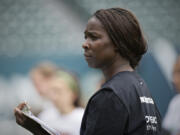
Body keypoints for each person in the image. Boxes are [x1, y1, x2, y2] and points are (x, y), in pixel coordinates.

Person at [14, 7, 162, 135]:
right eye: (86, 37)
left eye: (94, 37)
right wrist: (38, 128)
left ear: (118, 42)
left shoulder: (110, 95)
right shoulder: (140, 87)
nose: (85, 44)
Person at [38, 70, 84, 135]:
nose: (54, 97)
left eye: (59, 91)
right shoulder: (44, 117)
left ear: (73, 94)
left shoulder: (83, 118)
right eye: (52, 91)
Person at [162, 56, 180, 135]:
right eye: (174, 74)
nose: (173, 80)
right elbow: (165, 130)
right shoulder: (176, 102)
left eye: (178, 73)